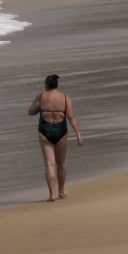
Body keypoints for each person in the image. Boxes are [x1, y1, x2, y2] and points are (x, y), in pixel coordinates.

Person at [27, 74, 84, 202]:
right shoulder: (65, 97)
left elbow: (30, 111)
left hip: (45, 131)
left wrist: (41, 107)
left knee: (49, 164)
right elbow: (71, 117)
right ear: (57, 85)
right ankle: (62, 191)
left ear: (46, 84)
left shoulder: (41, 96)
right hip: (61, 131)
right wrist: (78, 134)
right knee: (61, 163)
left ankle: (52, 194)